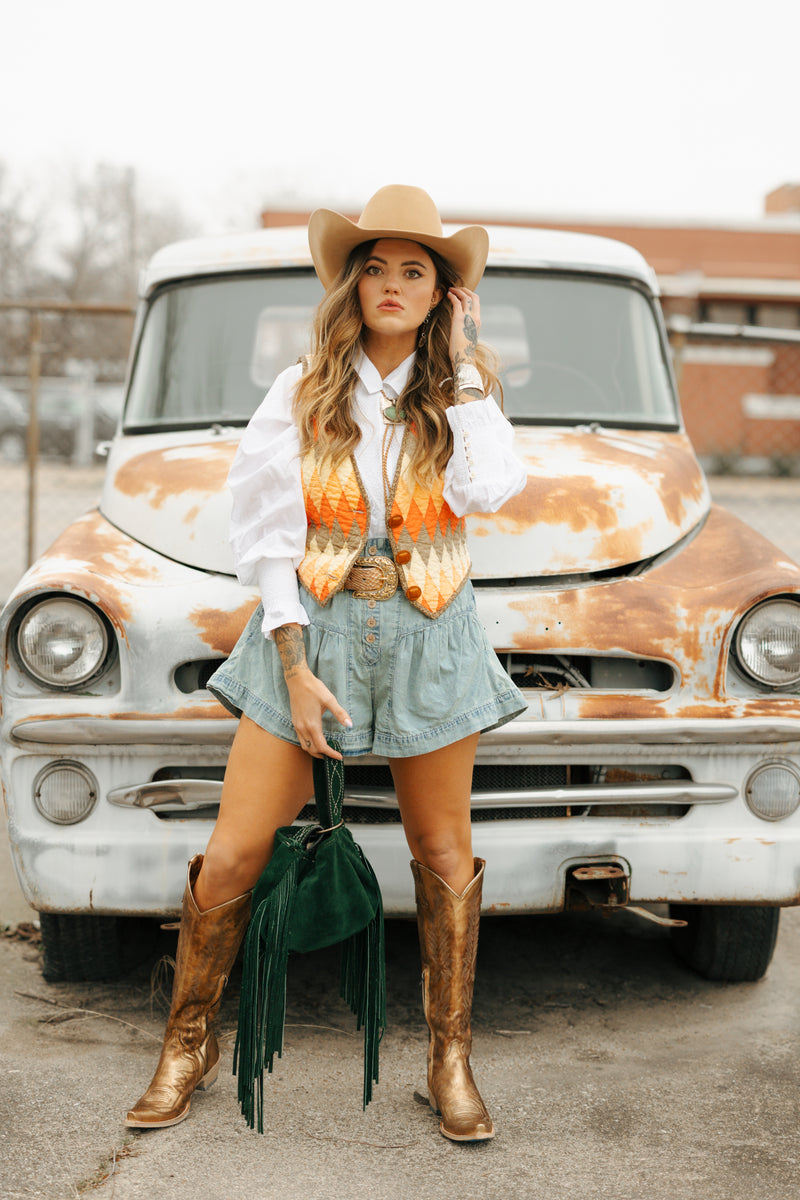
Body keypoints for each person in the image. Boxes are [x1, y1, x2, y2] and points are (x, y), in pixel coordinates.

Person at [125, 185, 528, 1142]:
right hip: (315, 633)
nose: (392, 285)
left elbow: (491, 489)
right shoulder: (303, 387)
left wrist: (465, 368)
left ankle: (450, 1059)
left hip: (433, 634)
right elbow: (265, 533)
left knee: (444, 854)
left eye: (415, 272)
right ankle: (188, 1042)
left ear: (443, 296)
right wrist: (294, 661)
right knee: (233, 851)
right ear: (353, 284)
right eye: (376, 268)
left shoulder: (463, 393)